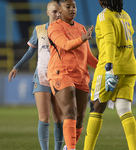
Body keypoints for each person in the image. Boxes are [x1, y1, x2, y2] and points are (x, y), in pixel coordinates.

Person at [8, 1, 64, 150]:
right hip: (41, 78)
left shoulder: (65, 30)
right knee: (44, 118)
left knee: (59, 118)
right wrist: (17, 66)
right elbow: (31, 52)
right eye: (54, 11)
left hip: (59, 79)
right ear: (47, 13)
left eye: (59, 12)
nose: (57, 14)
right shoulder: (39, 30)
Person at [83, 0, 136, 150]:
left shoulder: (104, 16)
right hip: (130, 68)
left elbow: (109, 42)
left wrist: (109, 69)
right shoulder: (125, 15)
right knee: (124, 109)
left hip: (110, 67)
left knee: (96, 107)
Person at [47, 0, 98, 150]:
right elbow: (65, 45)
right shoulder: (54, 27)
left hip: (81, 75)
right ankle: (72, 148)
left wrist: (106, 67)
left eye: (74, 6)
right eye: (67, 6)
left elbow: (88, 57)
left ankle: (69, 147)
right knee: (70, 111)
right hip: (60, 73)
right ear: (60, 9)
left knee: (80, 118)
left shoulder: (81, 28)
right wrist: (83, 38)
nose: (72, 9)